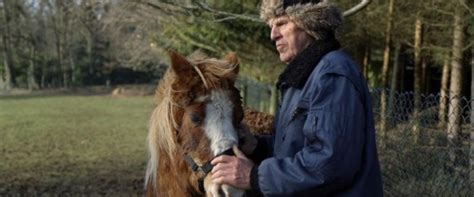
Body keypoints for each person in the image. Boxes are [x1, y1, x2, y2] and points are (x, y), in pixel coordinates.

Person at [211, 0, 383, 196]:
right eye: (271, 26)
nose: (272, 35)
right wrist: (258, 148)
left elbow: (329, 164)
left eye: (282, 23)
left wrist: (254, 176)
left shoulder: (332, 75)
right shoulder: (301, 78)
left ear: (310, 23)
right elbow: (293, 150)